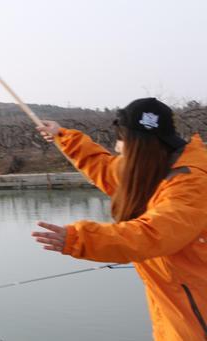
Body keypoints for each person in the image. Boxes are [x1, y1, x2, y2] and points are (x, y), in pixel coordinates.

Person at [32, 98, 207, 341]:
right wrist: (63, 136)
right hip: (177, 314)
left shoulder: (192, 184)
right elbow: (103, 167)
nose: (117, 147)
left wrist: (79, 239)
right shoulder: (153, 168)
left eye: (122, 139)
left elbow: (152, 235)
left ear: (141, 144)